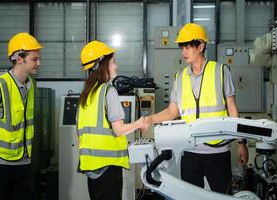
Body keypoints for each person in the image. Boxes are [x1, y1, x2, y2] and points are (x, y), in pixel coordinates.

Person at [141, 23, 248, 194]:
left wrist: (242, 143)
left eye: (187, 47)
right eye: (181, 47)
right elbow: (172, 112)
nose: (183, 51)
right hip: (190, 151)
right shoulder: (180, 77)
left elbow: (233, 110)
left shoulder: (220, 71)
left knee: (222, 197)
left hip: (218, 151)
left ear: (201, 46)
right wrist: (149, 119)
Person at [77, 40, 144, 200]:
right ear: (102, 64)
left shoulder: (86, 94)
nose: (116, 66)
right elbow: (119, 129)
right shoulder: (108, 91)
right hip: (108, 167)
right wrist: (140, 123)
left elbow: (78, 135)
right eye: (113, 61)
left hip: (91, 168)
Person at [0, 32, 42, 200]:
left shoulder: (32, 85)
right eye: (34, 59)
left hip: (24, 161)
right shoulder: (1, 85)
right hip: (1, 163)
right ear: (18, 58)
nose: (39, 63)